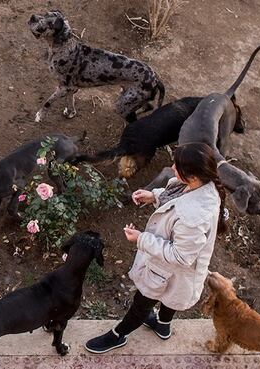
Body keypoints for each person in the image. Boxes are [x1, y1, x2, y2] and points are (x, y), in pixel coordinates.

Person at [85, 142, 228, 353]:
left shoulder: (194, 217)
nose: (172, 167)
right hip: (177, 273)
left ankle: (118, 335)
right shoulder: (204, 184)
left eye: (177, 167)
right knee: (171, 297)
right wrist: (155, 196)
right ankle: (162, 325)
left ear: (193, 176)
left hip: (168, 268)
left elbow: (180, 256)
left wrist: (141, 239)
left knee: (141, 303)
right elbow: (179, 195)